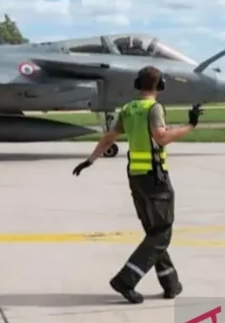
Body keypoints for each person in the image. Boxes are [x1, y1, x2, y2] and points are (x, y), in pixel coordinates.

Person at [72, 65, 204, 304]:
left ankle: (170, 283)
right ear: (160, 85)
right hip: (155, 179)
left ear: (137, 85)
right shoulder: (154, 108)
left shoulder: (128, 108)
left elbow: (109, 138)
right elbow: (161, 137)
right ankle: (126, 279)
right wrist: (190, 125)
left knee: (154, 232)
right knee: (162, 234)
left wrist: (90, 160)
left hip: (136, 177)